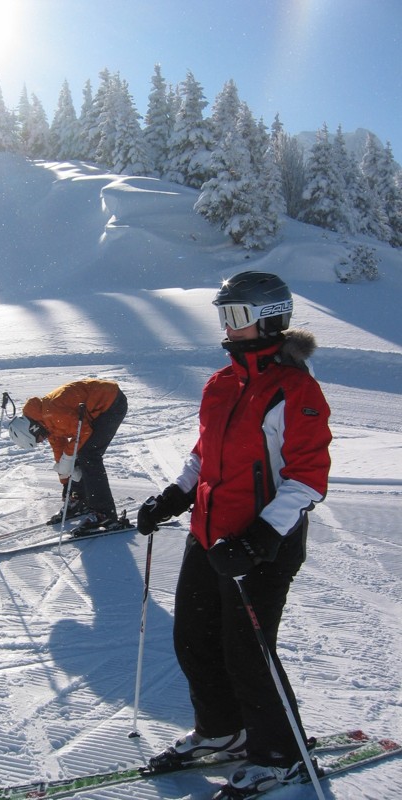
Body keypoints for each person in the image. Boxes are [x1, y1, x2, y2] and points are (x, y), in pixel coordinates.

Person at [137, 271, 331, 796]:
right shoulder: (221, 383)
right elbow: (206, 453)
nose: (228, 326)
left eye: (238, 316)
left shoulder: (295, 390)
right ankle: (223, 733)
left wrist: (260, 538)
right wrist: (175, 495)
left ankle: (280, 752)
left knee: (248, 649)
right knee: (194, 637)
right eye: (224, 315)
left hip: (263, 544)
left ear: (270, 318)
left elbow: (307, 475)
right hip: (210, 536)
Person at [8, 378, 128, 530]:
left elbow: (84, 431)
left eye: (37, 440)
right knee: (77, 453)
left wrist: (69, 456)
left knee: (89, 456)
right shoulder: (45, 422)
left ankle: (104, 513)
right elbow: (60, 452)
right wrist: (66, 483)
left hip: (110, 403)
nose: (41, 441)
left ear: (33, 429)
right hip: (94, 410)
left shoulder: (52, 414)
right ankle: (79, 500)